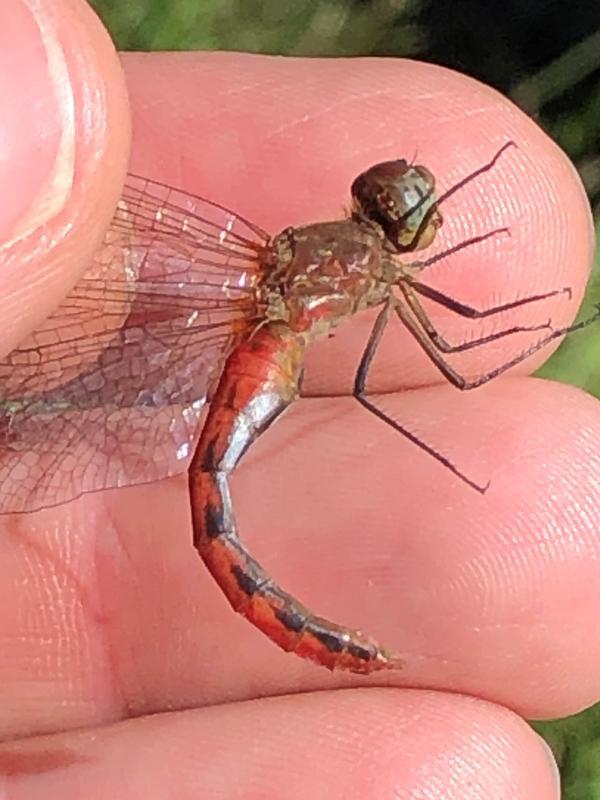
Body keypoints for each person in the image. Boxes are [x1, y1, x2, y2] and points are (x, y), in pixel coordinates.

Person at [1, 0, 599, 796]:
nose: (420, 215)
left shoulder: (341, 263)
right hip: (257, 357)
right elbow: (456, 346)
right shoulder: (377, 273)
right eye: (414, 211)